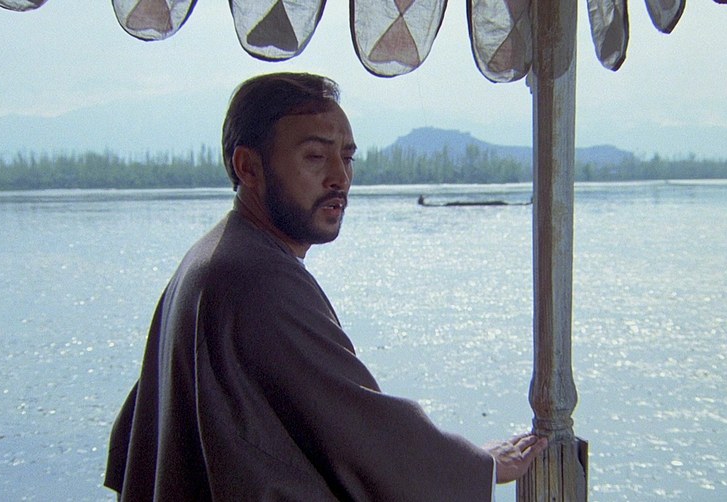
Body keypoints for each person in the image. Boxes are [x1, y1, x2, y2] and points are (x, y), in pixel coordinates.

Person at [104, 72, 547, 501]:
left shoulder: (211, 259)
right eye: (315, 156)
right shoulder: (256, 277)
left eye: (347, 157)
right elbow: (357, 431)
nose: (340, 177)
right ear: (248, 167)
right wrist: (480, 468)